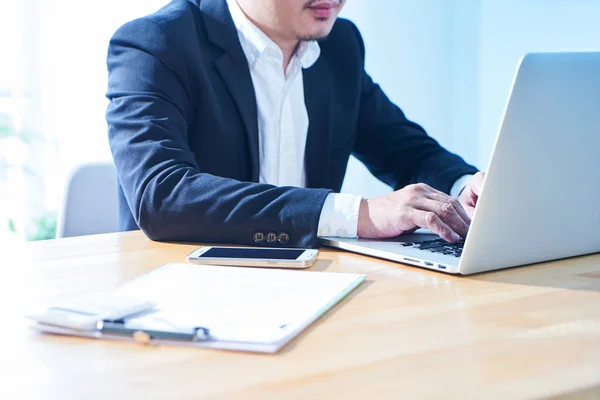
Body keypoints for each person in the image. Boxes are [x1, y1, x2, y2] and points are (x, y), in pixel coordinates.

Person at [106, 0, 484, 249]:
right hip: (184, 293)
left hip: (311, 286)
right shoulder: (156, 43)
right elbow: (163, 196)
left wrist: (467, 189)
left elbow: (404, 150)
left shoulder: (340, 45)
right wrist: (360, 214)